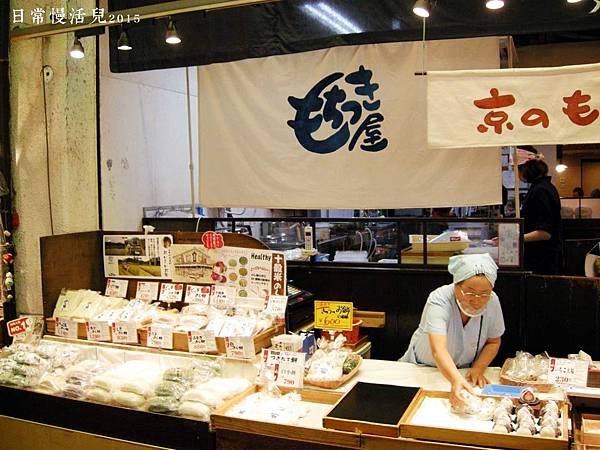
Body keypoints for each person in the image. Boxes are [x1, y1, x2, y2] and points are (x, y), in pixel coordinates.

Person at [400, 254, 505, 407]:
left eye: (484, 294)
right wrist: (455, 380)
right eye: (469, 293)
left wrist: (478, 368)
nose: (477, 300)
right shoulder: (439, 299)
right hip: (422, 371)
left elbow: (493, 341)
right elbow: (438, 349)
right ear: (456, 285)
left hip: (463, 373)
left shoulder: (493, 300)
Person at [516, 146, 562, 274]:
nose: (517, 173)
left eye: (518, 169)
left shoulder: (540, 190)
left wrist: (515, 238)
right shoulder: (542, 187)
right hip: (540, 257)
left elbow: (544, 233)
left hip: (542, 260)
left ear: (526, 169)